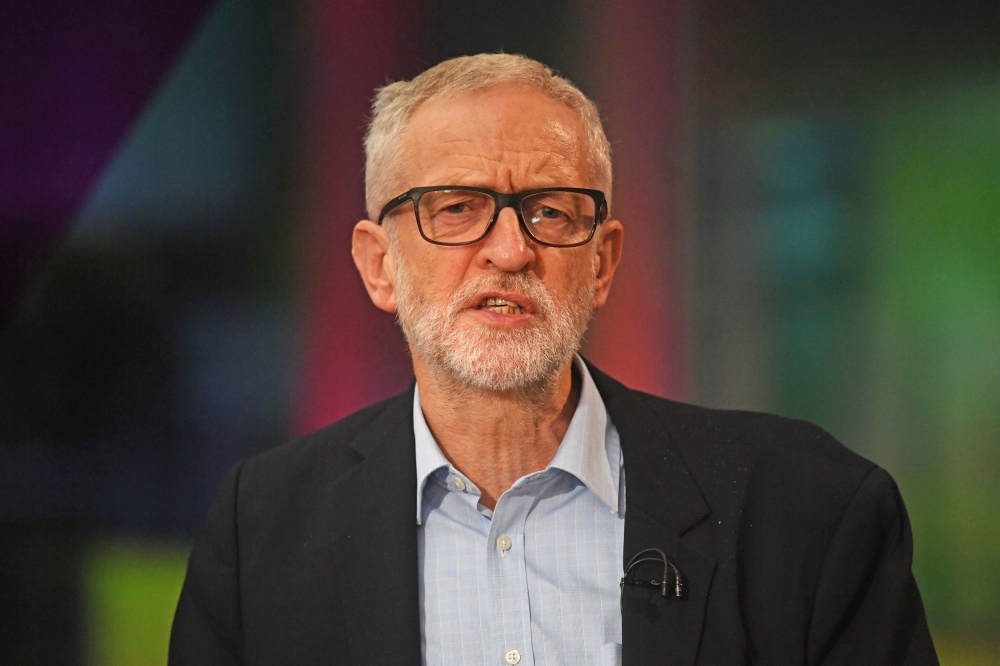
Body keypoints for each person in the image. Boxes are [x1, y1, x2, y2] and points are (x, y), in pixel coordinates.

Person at [169, 53, 938, 665]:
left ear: (602, 263)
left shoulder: (810, 512)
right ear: (379, 266)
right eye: (457, 209)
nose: (510, 250)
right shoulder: (259, 532)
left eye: (550, 212)